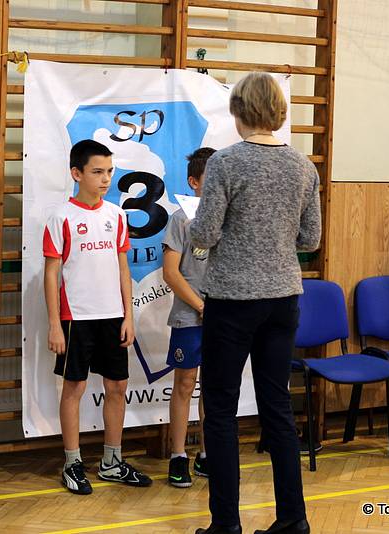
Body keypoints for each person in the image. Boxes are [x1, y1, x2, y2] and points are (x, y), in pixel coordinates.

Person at [190, 72, 321, 534]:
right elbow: (311, 238)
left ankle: (226, 523)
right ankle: (293, 519)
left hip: (233, 300)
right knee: (277, 406)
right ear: (278, 111)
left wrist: (212, 238)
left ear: (239, 110)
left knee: (221, 409)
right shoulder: (303, 166)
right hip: (283, 298)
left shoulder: (226, 162)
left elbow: (204, 233)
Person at [43, 139, 152, 495]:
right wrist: (55, 324)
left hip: (113, 316)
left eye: (109, 171)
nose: (105, 179)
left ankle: (112, 461)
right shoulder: (61, 217)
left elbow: (123, 267)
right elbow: (51, 274)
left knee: (117, 386)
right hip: (76, 318)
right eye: (97, 172)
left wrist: (128, 316)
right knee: (74, 387)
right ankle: (72, 462)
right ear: (77, 174)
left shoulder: (116, 215)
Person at [162, 147, 215, 488]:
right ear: (194, 182)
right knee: (184, 384)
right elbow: (171, 273)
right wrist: (201, 306)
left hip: (223, 318)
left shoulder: (229, 216)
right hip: (189, 316)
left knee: (214, 387)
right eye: (211, 177)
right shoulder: (180, 219)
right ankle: (178, 455)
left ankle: (208, 454)